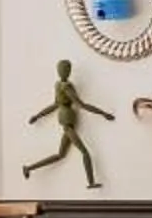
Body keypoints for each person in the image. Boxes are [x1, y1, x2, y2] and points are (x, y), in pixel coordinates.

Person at [22, 58, 112, 188]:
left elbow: (55, 105)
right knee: (85, 152)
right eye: (63, 69)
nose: (64, 71)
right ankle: (91, 182)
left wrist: (37, 116)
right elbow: (82, 105)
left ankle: (29, 168)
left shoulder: (58, 85)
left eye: (66, 69)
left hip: (67, 123)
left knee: (60, 155)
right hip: (67, 125)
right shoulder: (65, 86)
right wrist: (103, 113)